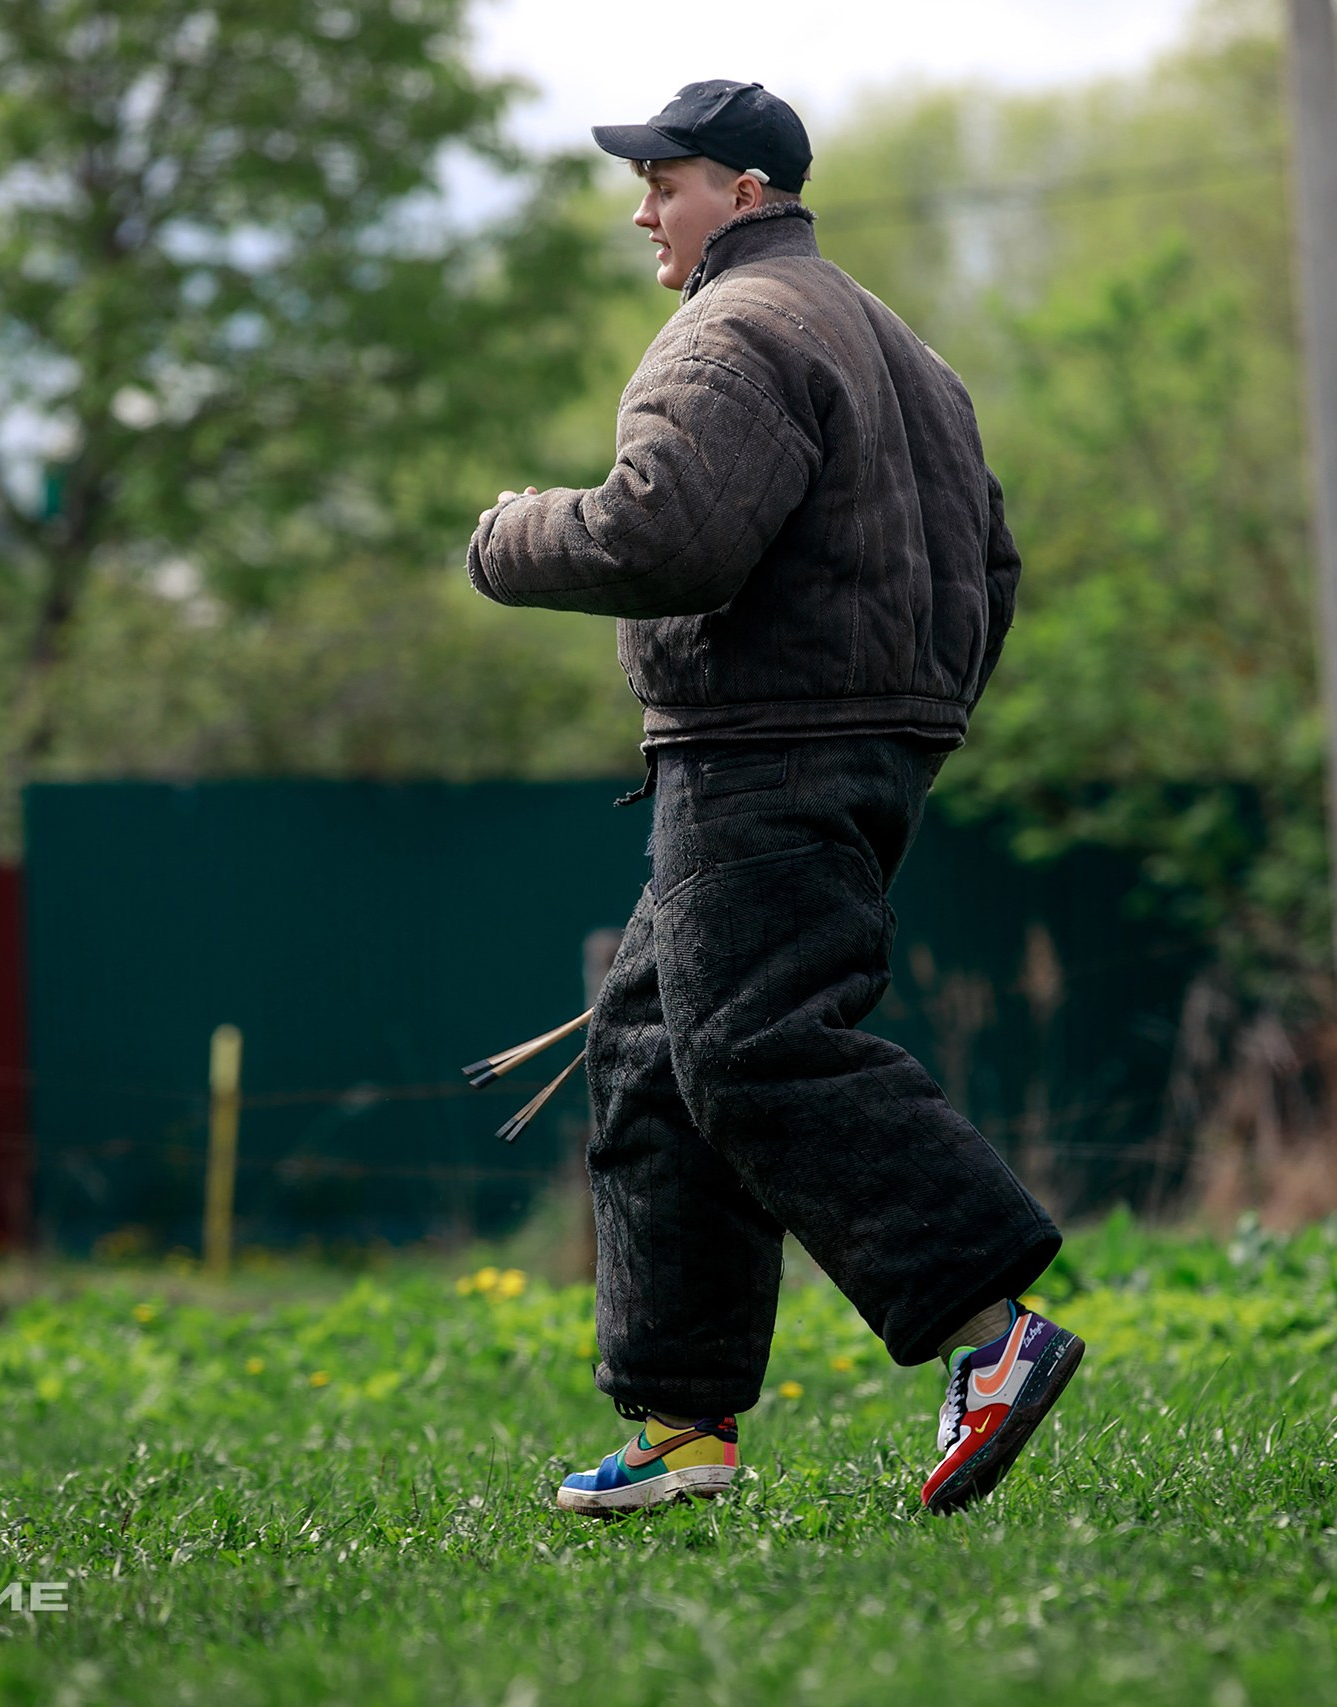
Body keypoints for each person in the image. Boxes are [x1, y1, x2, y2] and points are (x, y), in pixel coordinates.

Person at [463, 79, 1082, 1518]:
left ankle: (993, 1332)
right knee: (651, 1049)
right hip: (863, 734)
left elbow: (665, 530)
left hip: (769, 744)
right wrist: (919, 714)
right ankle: (682, 1424)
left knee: (752, 1047)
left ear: (746, 192)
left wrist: (506, 538)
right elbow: (992, 563)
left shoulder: (736, 330)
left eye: (664, 181)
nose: (642, 210)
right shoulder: (903, 347)